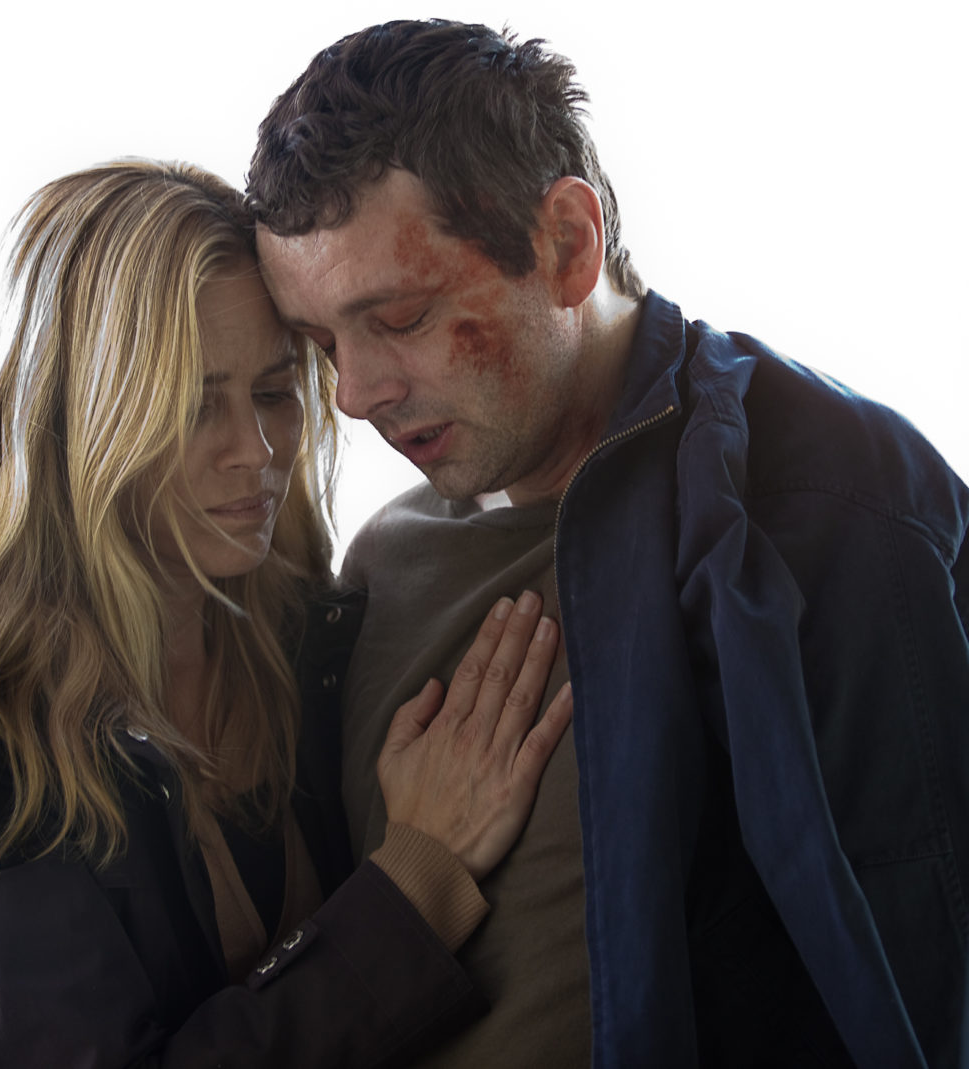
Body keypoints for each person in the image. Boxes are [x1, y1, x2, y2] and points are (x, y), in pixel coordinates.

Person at [246, 18, 969, 1069]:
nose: (353, 393)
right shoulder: (380, 563)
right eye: (320, 344)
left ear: (567, 245)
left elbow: (924, 984)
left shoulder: (827, 495)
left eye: (399, 318)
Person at [0, 159, 577, 1067]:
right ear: (78, 419)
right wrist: (412, 880)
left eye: (273, 392)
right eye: (194, 407)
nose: (256, 450)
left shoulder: (307, 630)